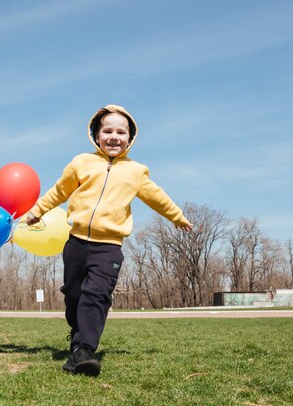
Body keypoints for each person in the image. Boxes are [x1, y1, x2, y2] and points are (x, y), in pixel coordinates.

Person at [25, 104, 193, 376]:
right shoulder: (81, 162)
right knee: (74, 295)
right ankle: (77, 331)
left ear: (130, 137)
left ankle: (83, 351)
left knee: (97, 295)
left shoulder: (136, 172)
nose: (114, 137)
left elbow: (157, 197)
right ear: (96, 134)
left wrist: (177, 216)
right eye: (108, 131)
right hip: (77, 242)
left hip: (109, 247)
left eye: (121, 132)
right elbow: (59, 191)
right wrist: (37, 211)